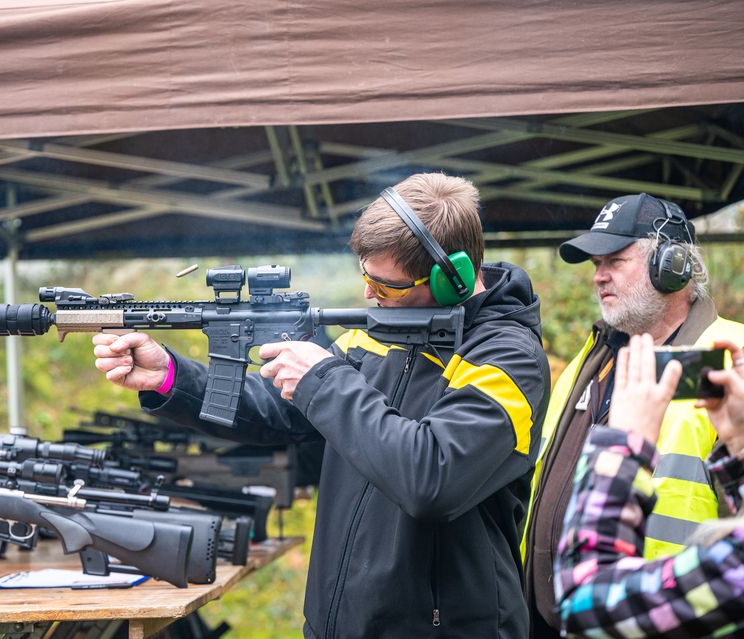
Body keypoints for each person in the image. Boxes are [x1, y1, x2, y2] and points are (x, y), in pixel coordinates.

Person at [92, 172, 550, 639]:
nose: (369, 294)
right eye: (365, 277)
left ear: (452, 279)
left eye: (385, 284)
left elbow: (433, 477)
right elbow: (277, 410)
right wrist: (169, 376)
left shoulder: (509, 358)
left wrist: (323, 379)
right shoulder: (381, 329)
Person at [523, 193, 744, 639]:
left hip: (663, 616)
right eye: (594, 264)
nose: (598, 276)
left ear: (673, 265)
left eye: (615, 260)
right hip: (553, 621)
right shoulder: (594, 356)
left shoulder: (731, 358)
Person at [555, 333, 744, 637]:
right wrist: (740, 446)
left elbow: (585, 605)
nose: (599, 280)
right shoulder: (589, 357)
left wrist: (622, 447)